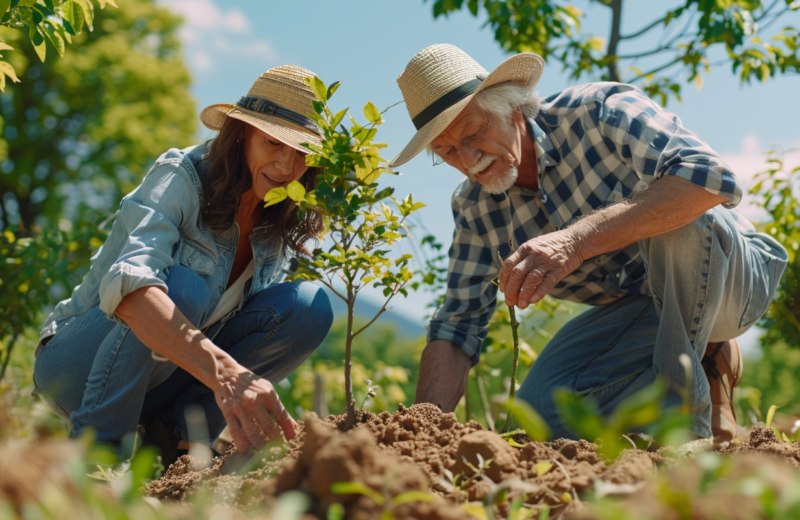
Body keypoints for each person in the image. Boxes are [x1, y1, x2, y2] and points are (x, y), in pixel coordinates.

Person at [392, 44, 788, 442]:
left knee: (678, 213)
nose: (468, 158)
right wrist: (421, 430)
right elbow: (458, 325)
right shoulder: (475, 209)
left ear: (511, 107)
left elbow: (709, 178)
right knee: (541, 420)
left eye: (474, 133)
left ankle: (685, 432)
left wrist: (576, 241)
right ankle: (706, 362)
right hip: (643, 313)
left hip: (731, 283)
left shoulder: (598, 111)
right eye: (446, 151)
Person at [33, 66, 333, 461]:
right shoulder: (181, 176)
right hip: (75, 369)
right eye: (274, 143)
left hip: (162, 380)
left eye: (301, 154)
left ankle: (176, 446)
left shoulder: (279, 221)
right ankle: (100, 454)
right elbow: (130, 290)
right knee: (183, 288)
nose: (286, 166)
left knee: (309, 306)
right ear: (241, 132)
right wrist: (228, 374)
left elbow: (249, 337)